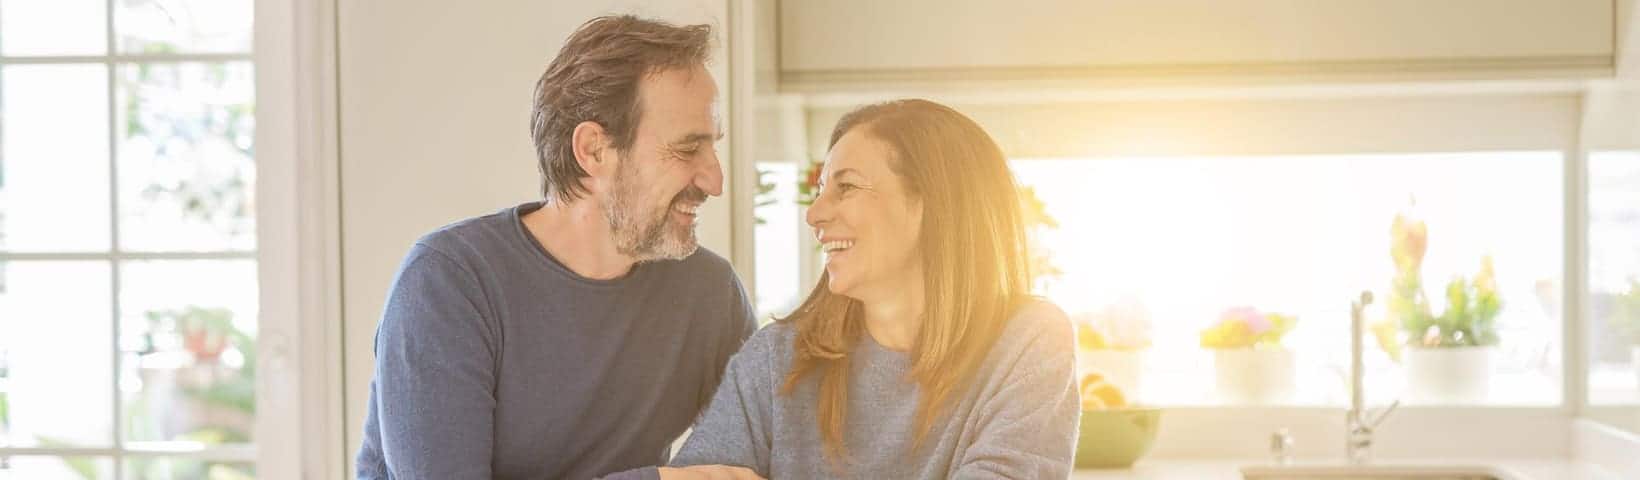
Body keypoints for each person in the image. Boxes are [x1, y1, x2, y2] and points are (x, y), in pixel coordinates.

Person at [355, 15, 760, 480]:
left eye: (713, 149)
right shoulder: (449, 283)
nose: (716, 180)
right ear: (593, 150)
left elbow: (772, 450)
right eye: (688, 150)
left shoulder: (709, 293)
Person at [670, 99, 1080, 478]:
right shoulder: (775, 359)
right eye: (819, 191)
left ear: (931, 203)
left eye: (845, 187)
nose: (814, 214)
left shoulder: (1027, 341)